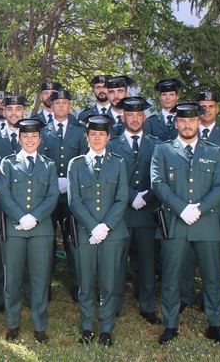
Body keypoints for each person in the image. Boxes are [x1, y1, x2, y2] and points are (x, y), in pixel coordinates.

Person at [151, 103, 220, 345]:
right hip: (175, 222)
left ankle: (215, 325)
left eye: (192, 120)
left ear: (199, 122)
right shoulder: (163, 150)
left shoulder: (213, 151)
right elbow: (158, 182)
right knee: (171, 276)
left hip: (206, 223)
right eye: (182, 121)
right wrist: (181, 208)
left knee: (212, 276)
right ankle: (170, 325)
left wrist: (200, 208)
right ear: (176, 123)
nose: (187, 125)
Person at [68, 114, 129, 347]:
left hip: (112, 233)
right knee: (85, 282)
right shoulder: (76, 164)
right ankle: (86, 326)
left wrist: (105, 226)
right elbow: (75, 201)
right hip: (85, 232)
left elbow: (122, 198)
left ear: (108, 137)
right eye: (92, 134)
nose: (96, 138)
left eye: (101, 134)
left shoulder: (119, 163)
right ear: (86, 136)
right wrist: (93, 227)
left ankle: (105, 328)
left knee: (109, 283)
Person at [0, 119, 59, 343]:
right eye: (26, 137)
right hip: (15, 229)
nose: (30, 140)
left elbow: (53, 195)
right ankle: (12, 323)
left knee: (40, 279)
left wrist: (35, 217)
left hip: (41, 230)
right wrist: (21, 217)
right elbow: (4, 194)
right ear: (20, 139)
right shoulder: (8, 163)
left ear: (40, 139)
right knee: (12, 278)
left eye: (34, 137)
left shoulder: (49, 165)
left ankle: (39, 325)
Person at [177, 91, 220, 310]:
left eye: (211, 106)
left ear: (217, 109)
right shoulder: (185, 132)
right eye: (202, 106)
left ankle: (208, 299)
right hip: (188, 205)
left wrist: (210, 191)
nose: (206, 110)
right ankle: (185, 296)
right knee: (186, 254)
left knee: (211, 255)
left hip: (218, 206)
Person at [107, 97, 163, 325]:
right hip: (121, 212)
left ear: (144, 118)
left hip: (147, 212)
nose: (135, 118)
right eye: (130, 115)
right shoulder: (111, 145)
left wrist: (146, 196)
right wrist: (132, 196)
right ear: (123, 117)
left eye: (139, 115)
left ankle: (147, 306)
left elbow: (161, 177)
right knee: (117, 261)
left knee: (147, 261)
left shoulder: (157, 144)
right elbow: (111, 178)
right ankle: (115, 304)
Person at [39, 90, 87, 302]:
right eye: (57, 103)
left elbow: (85, 161)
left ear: (69, 105)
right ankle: (45, 285)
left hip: (72, 196)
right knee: (47, 241)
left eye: (64, 102)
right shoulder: (43, 130)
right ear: (51, 105)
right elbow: (39, 162)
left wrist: (72, 181)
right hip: (49, 196)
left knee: (74, 240)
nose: (60, 106)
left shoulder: (79, 130)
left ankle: (77, 285)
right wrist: (52, 183)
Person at [0, 94, 31, 313]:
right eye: (9, 109)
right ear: (3, 111)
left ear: (24, 112)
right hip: (0, 203)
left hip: (28, 206)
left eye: (18, 109)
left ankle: (28, 294)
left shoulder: (32, 137)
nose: (14, 113)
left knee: (28, 252)